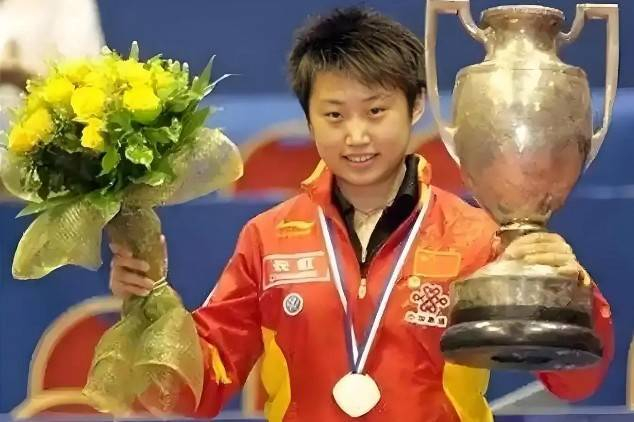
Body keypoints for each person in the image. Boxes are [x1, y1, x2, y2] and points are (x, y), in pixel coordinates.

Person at [108, 8, 613, 422]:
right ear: (308, 118)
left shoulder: (477, 236)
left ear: (417, 106)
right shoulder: (268, 238)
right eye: (334, 115)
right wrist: (149, 306)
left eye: (375, 111)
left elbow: (574, 382)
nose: (356, 136)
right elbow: (199, 390)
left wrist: (570, 289)